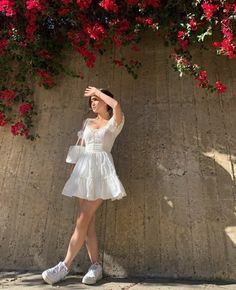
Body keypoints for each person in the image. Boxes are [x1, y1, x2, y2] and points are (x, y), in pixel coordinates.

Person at [42, 86, 127, 285]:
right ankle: (95, 266)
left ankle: (64, 265)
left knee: (83, 218)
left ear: (105, 101)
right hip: (82, 172)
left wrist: (98, 90)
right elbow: (79, 146)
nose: (93, 103)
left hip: (102, 172)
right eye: (92, 101)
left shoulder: (115, 122)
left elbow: (117, 105)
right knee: (88, 223)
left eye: (96, 100)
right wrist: (72, 173)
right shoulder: (88, 122)